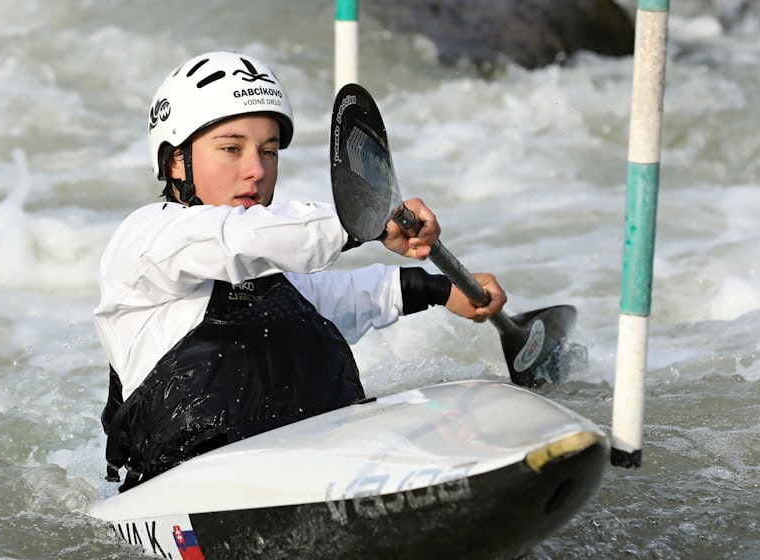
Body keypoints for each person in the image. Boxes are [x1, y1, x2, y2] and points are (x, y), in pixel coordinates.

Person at [94, 51, 507, 492]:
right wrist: (365, 219)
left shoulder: (269, 270)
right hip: (187, 492)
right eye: (232, 149)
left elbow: (341, 296)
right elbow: (239, 239)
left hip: (313, 473)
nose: (256, 170)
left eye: (268, 151)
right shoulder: (146, 237)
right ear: (177, 162)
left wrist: (441, 289)